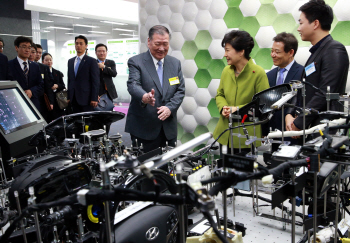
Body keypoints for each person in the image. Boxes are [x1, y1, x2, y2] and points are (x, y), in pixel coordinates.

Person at [285, 0, 349, 137]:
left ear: (315, 23)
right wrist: (290, 115)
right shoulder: (316, 53)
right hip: (312, 128)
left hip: (325, 130)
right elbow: (304, 90)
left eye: (301, 23)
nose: (298, 28)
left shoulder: (334, 49)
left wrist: (299, 123)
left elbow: (325, 92)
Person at [125, 25, 185, 153]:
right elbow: (133, 84)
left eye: (165, 44)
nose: (162, 48)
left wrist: (170, 108)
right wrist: (144, 97)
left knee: (166, 168)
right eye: (158, 44)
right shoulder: (136, 62)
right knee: (145, 169)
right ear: (149, 41)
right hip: (144, 129)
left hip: (168, 128)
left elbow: (180, 90)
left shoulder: (175, 63)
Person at [213, 30, 270, 154]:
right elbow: (220, 94)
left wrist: (236, 109)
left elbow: (264, 105)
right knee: (224, 171)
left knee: (243, 172)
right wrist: (223, 107)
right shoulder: (226, 71)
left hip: (245, 137)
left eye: (228, 50)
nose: (225, 54)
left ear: (241, 52)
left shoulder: (258, 73)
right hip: (224, 134)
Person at [264, 32, 303, 138]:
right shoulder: (268, 76)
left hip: (293, 132)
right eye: (272, 51)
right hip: (273, 134)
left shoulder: (302, 73)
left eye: (277, 52)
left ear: (290, 52)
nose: (273, 55)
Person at [8, 36, 44, 113]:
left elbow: (41, 85)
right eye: (24, 47)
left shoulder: (35, 66)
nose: (27, 50)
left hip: (34, 104)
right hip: (16, 105)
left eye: (29, 47)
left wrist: (31, 91)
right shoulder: (9, 65)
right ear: (16, 48)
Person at [67, 35, 99, 113]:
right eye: (76, 43)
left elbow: (95, 81)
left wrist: (94, 98)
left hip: (86, 99)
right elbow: (70, 80)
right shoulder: (70, 61)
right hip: (73, 98)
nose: (78, 45)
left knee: (86, 123)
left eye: (81, 44)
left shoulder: (91, 61)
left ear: (86, 46)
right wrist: (68, 96)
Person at [29, 44, 54, 122]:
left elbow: (48, 86)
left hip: (42, 99)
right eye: (36, 52)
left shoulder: (43, 67)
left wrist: (50, 101)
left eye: (40, 52)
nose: (37, 54)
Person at [42, 52, 66, 119]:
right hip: (46, 100)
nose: (49, 62)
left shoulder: (57, 72)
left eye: (50, 60)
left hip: (58, 100)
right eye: (46, 60)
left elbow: (63, 85)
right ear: (43, 62)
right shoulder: (42, 72)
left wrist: (57, 86)